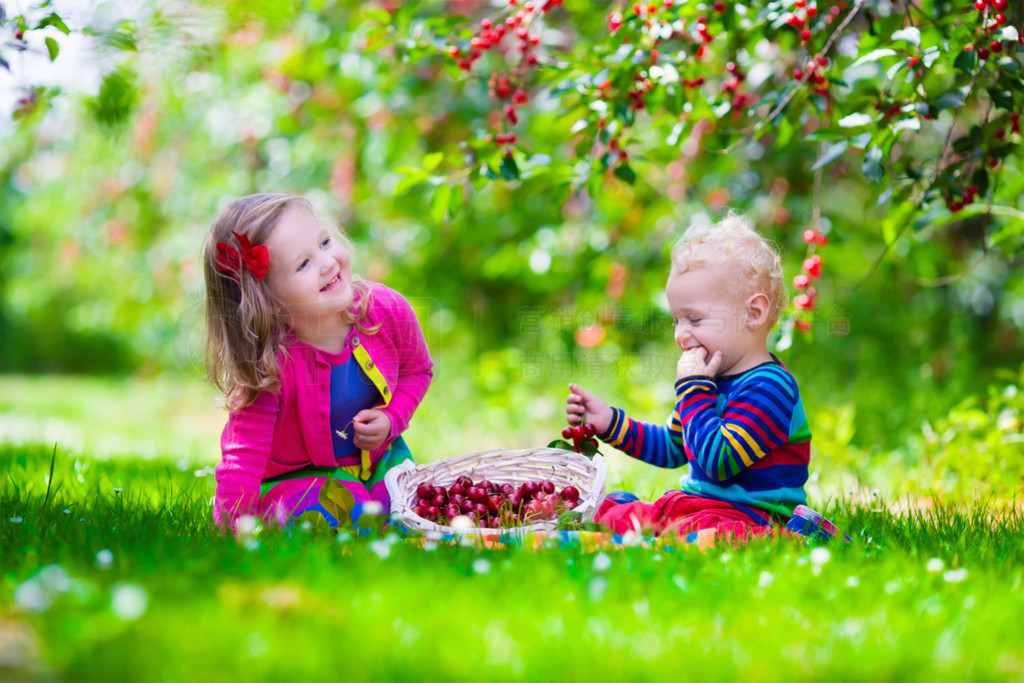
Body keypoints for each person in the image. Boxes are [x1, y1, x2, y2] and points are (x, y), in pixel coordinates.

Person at [565, 214, 811, 541]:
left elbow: (719, 462)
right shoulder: (708, 381)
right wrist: (610, 422)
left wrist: (694, 391)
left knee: (694, 530)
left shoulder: (770, 387)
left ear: (753, 313)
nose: (681, 335)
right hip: (701, 507)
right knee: (636, 514)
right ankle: (635, 515)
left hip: (753, 517)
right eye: (676, 321)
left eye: (694, 319)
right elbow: (672, 447)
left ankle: (793, 535)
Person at [203, 193, 433, 530]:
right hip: (300, 476)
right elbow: (244, 458)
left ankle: (379, 507)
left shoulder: (386, 309)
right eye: (303, 264)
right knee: (340, 512)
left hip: (380, 461)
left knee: (415, 503)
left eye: (325, 242)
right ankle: (332, 511)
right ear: (269, 302)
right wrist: (232, 525)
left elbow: (417, 370)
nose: (327, 262)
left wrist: (391, 419)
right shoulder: (270, 362)